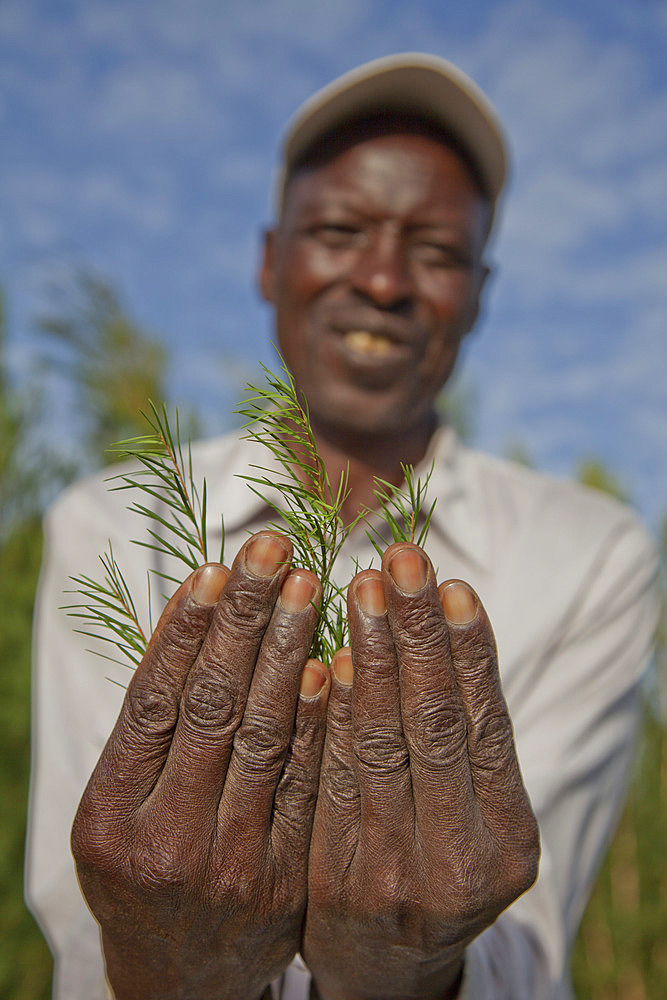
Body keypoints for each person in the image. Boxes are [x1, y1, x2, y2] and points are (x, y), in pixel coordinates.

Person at [26, 54, 659, 1000]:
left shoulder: (589, 555)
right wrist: (166, 950)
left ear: (479, 293)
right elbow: (82, 921)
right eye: (337, 230)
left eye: (436, 252)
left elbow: (526, 945)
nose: (382, 277)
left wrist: (410, 958)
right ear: (268, 261)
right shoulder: (115, 520)